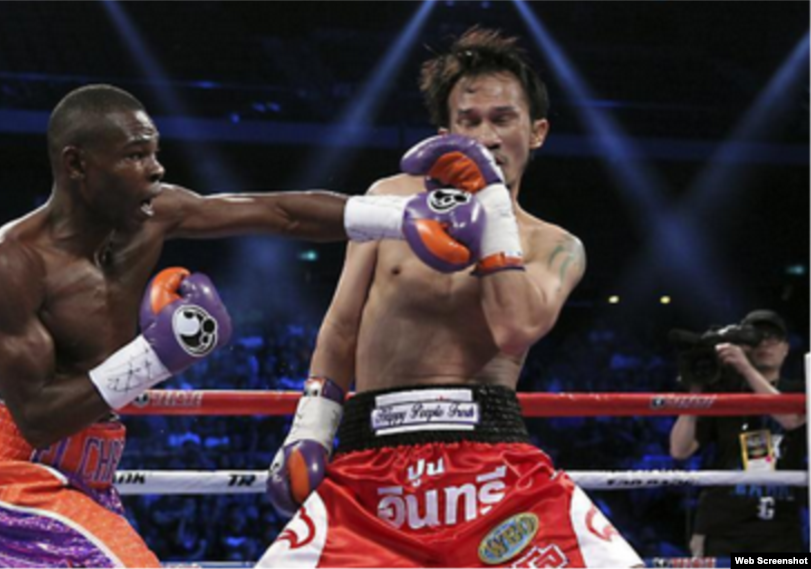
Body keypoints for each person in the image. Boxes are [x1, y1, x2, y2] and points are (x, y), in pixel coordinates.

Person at [0, 83, 478, 567]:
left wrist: (399, 217)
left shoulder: (155, 215)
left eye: (154, 152)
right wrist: (155, 357)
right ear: (77, 165)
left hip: (91, 478)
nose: (155, 169)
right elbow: (36, 418)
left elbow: (279, 213)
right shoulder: (8, 265)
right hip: (11, 478)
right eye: (134, 156)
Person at [259, 27, 645, 568]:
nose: (486, 136)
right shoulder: (390, 200)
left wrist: (490, 211)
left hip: (492, 464)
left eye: (502, 119)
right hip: (372, 459)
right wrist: (312, 429)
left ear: (537, 132)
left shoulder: (554, 245)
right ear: (445, 134)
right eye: (470, 121)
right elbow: (342, 326)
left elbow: (514, 329)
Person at [669, 309, 807, 556]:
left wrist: (746, 370)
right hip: (723, 528)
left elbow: (790, 419)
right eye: (756, 337)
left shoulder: (800, 391)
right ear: (742, 346)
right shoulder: (725, 395)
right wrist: (696, 390)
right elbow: (680, 449)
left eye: (773, 337)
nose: (764, 343)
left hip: (781, 530)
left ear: (786, 348)